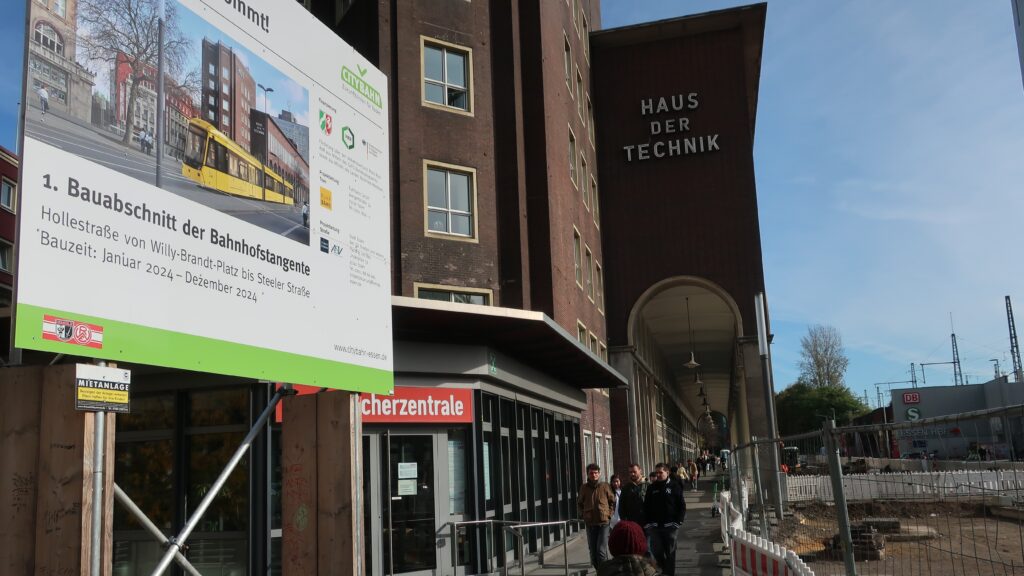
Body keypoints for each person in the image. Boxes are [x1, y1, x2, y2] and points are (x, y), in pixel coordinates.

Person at [643, 463, 686, 576]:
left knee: (670, 553)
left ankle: (669, 573)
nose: (658, 475)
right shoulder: (651, 488)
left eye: (660, 472)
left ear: (667, 472)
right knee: (656, 550)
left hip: (671, 526)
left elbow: (681, 505)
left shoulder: (674, 486)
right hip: (655, 527)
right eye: (656, 473)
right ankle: (663, 567)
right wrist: (647, 523)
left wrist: (678, 522)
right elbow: (646, 506)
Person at [578, 463, 616, 569]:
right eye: (591, 473)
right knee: (593, 553)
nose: (593, 475)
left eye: (595, 473)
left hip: (603, 523)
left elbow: (612, 501)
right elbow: (579, 504)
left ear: (599, 474)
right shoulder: (584, 488)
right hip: (590, 524)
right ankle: (600, 571)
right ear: (587, 474)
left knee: (601, 551)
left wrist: (609, 514)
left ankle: (604, 572)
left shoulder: (605, 486)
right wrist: (582, 515)